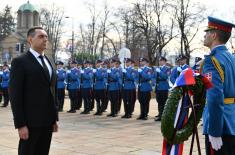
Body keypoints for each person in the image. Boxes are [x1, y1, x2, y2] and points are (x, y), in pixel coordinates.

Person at [9, 26, 58, 155]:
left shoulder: (50, 61)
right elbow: (15, 95)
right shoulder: (20, 62)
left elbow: (52, 91)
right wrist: (20, 124)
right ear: (30, 39)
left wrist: (54, 118)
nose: (45, 39)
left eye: (46, 37)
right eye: (41, 37)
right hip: (30, 122)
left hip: (47, 121)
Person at [202, 16, 235, 155]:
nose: (204, 35)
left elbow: (215, 97)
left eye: (207, 32)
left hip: (220, 125)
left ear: (214, 35)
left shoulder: (211, 61)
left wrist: (215, 131)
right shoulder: (231, 58)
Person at [153, 56, 171, 121]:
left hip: (164, 87)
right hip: (158, 87)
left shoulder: (167, 69)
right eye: (159, 61)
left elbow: (165, 77)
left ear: (165, 62)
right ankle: (160, 114)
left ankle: (164, 115)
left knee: (164, 102)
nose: (160, 62)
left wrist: (160, 72)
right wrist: (155, 82)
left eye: (162, 61)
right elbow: (153, 77)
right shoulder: (157, 68)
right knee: (159, 101)